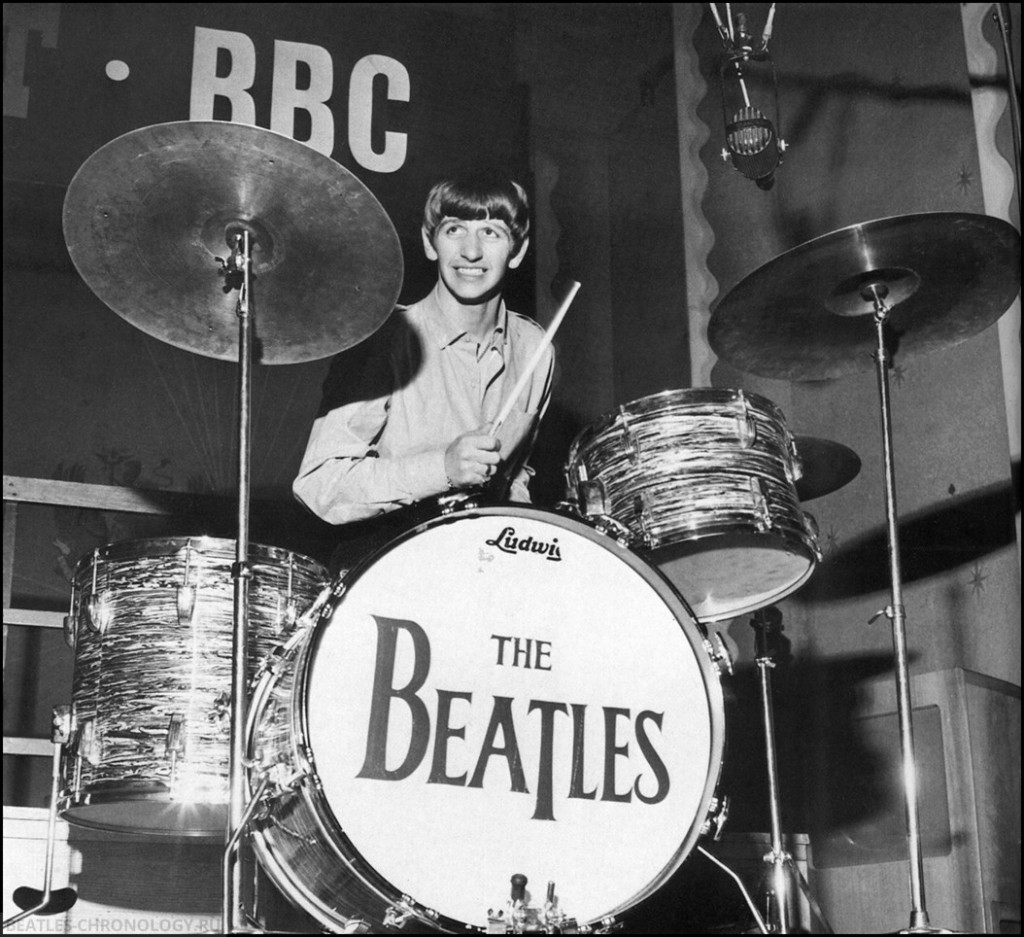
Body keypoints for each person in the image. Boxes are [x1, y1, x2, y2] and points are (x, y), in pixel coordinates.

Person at [292, 172, 555, 552]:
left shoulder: (535, 349)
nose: (471, 251)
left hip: (487, 563)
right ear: (430, 243)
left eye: (491, 232)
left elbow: (516, 478)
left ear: (518, 251)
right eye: (454, 230)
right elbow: (319, 485)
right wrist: (442, 469)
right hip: (393, 561)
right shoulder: (382, 340)